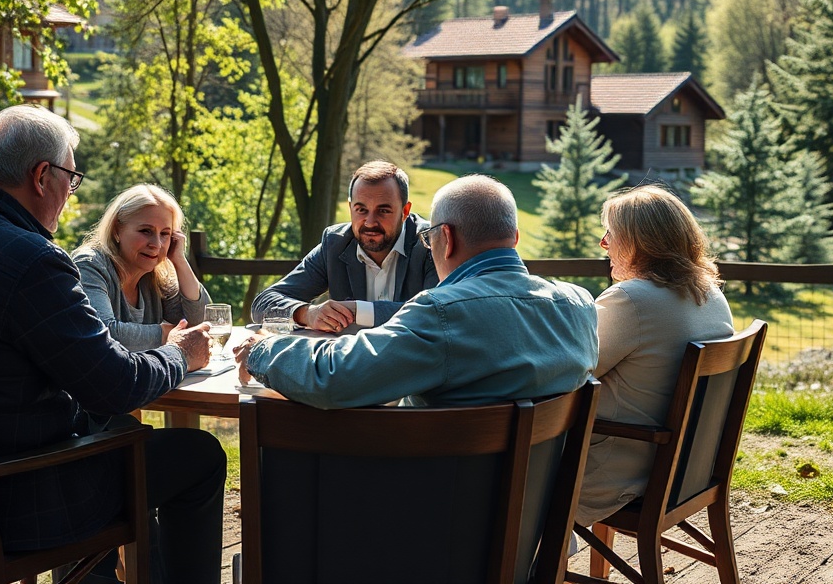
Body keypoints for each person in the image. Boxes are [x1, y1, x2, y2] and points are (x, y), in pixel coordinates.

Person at [0, 105, 225, 584]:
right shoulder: (31, 260)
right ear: (42, 176)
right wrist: (180, 353)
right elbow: (115, 387)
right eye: (71, 180)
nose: (70, 196)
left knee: (116, 436)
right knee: (198, 455)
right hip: (13, 503)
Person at [235, 174, 598, 408]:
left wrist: (262, 350)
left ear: (446, 239)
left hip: (434, 511)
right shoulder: (579, 306)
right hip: (535, 513)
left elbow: (332, 378)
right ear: (515, 239)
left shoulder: (441, 313)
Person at [574, 184, 734, 528]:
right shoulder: (710, 294)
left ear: (640, 241)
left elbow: (571, 371)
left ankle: (535, 562)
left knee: (509, 474)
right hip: (685, 470)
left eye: (611, 233)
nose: (603, 243)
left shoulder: (631, 300)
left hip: (615, 476)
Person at [250, 160, 439, 332]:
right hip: (348, 365)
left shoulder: (431, 243)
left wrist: (359, 311)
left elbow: (438, 313)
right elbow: (263, 303)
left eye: (383, 210)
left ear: (405, 211)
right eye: (361, 210)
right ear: (350, 209)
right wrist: (307, 314)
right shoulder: (335, 244)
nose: (370, 222)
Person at [74, 184, 211, 351]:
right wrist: (168, 335)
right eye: (146, 231)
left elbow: (200, 320)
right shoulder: (90, 264)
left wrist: (179, 260)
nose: (156, 244)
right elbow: (104, 333)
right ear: (117, 228)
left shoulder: (157, 274)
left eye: (165, 234)